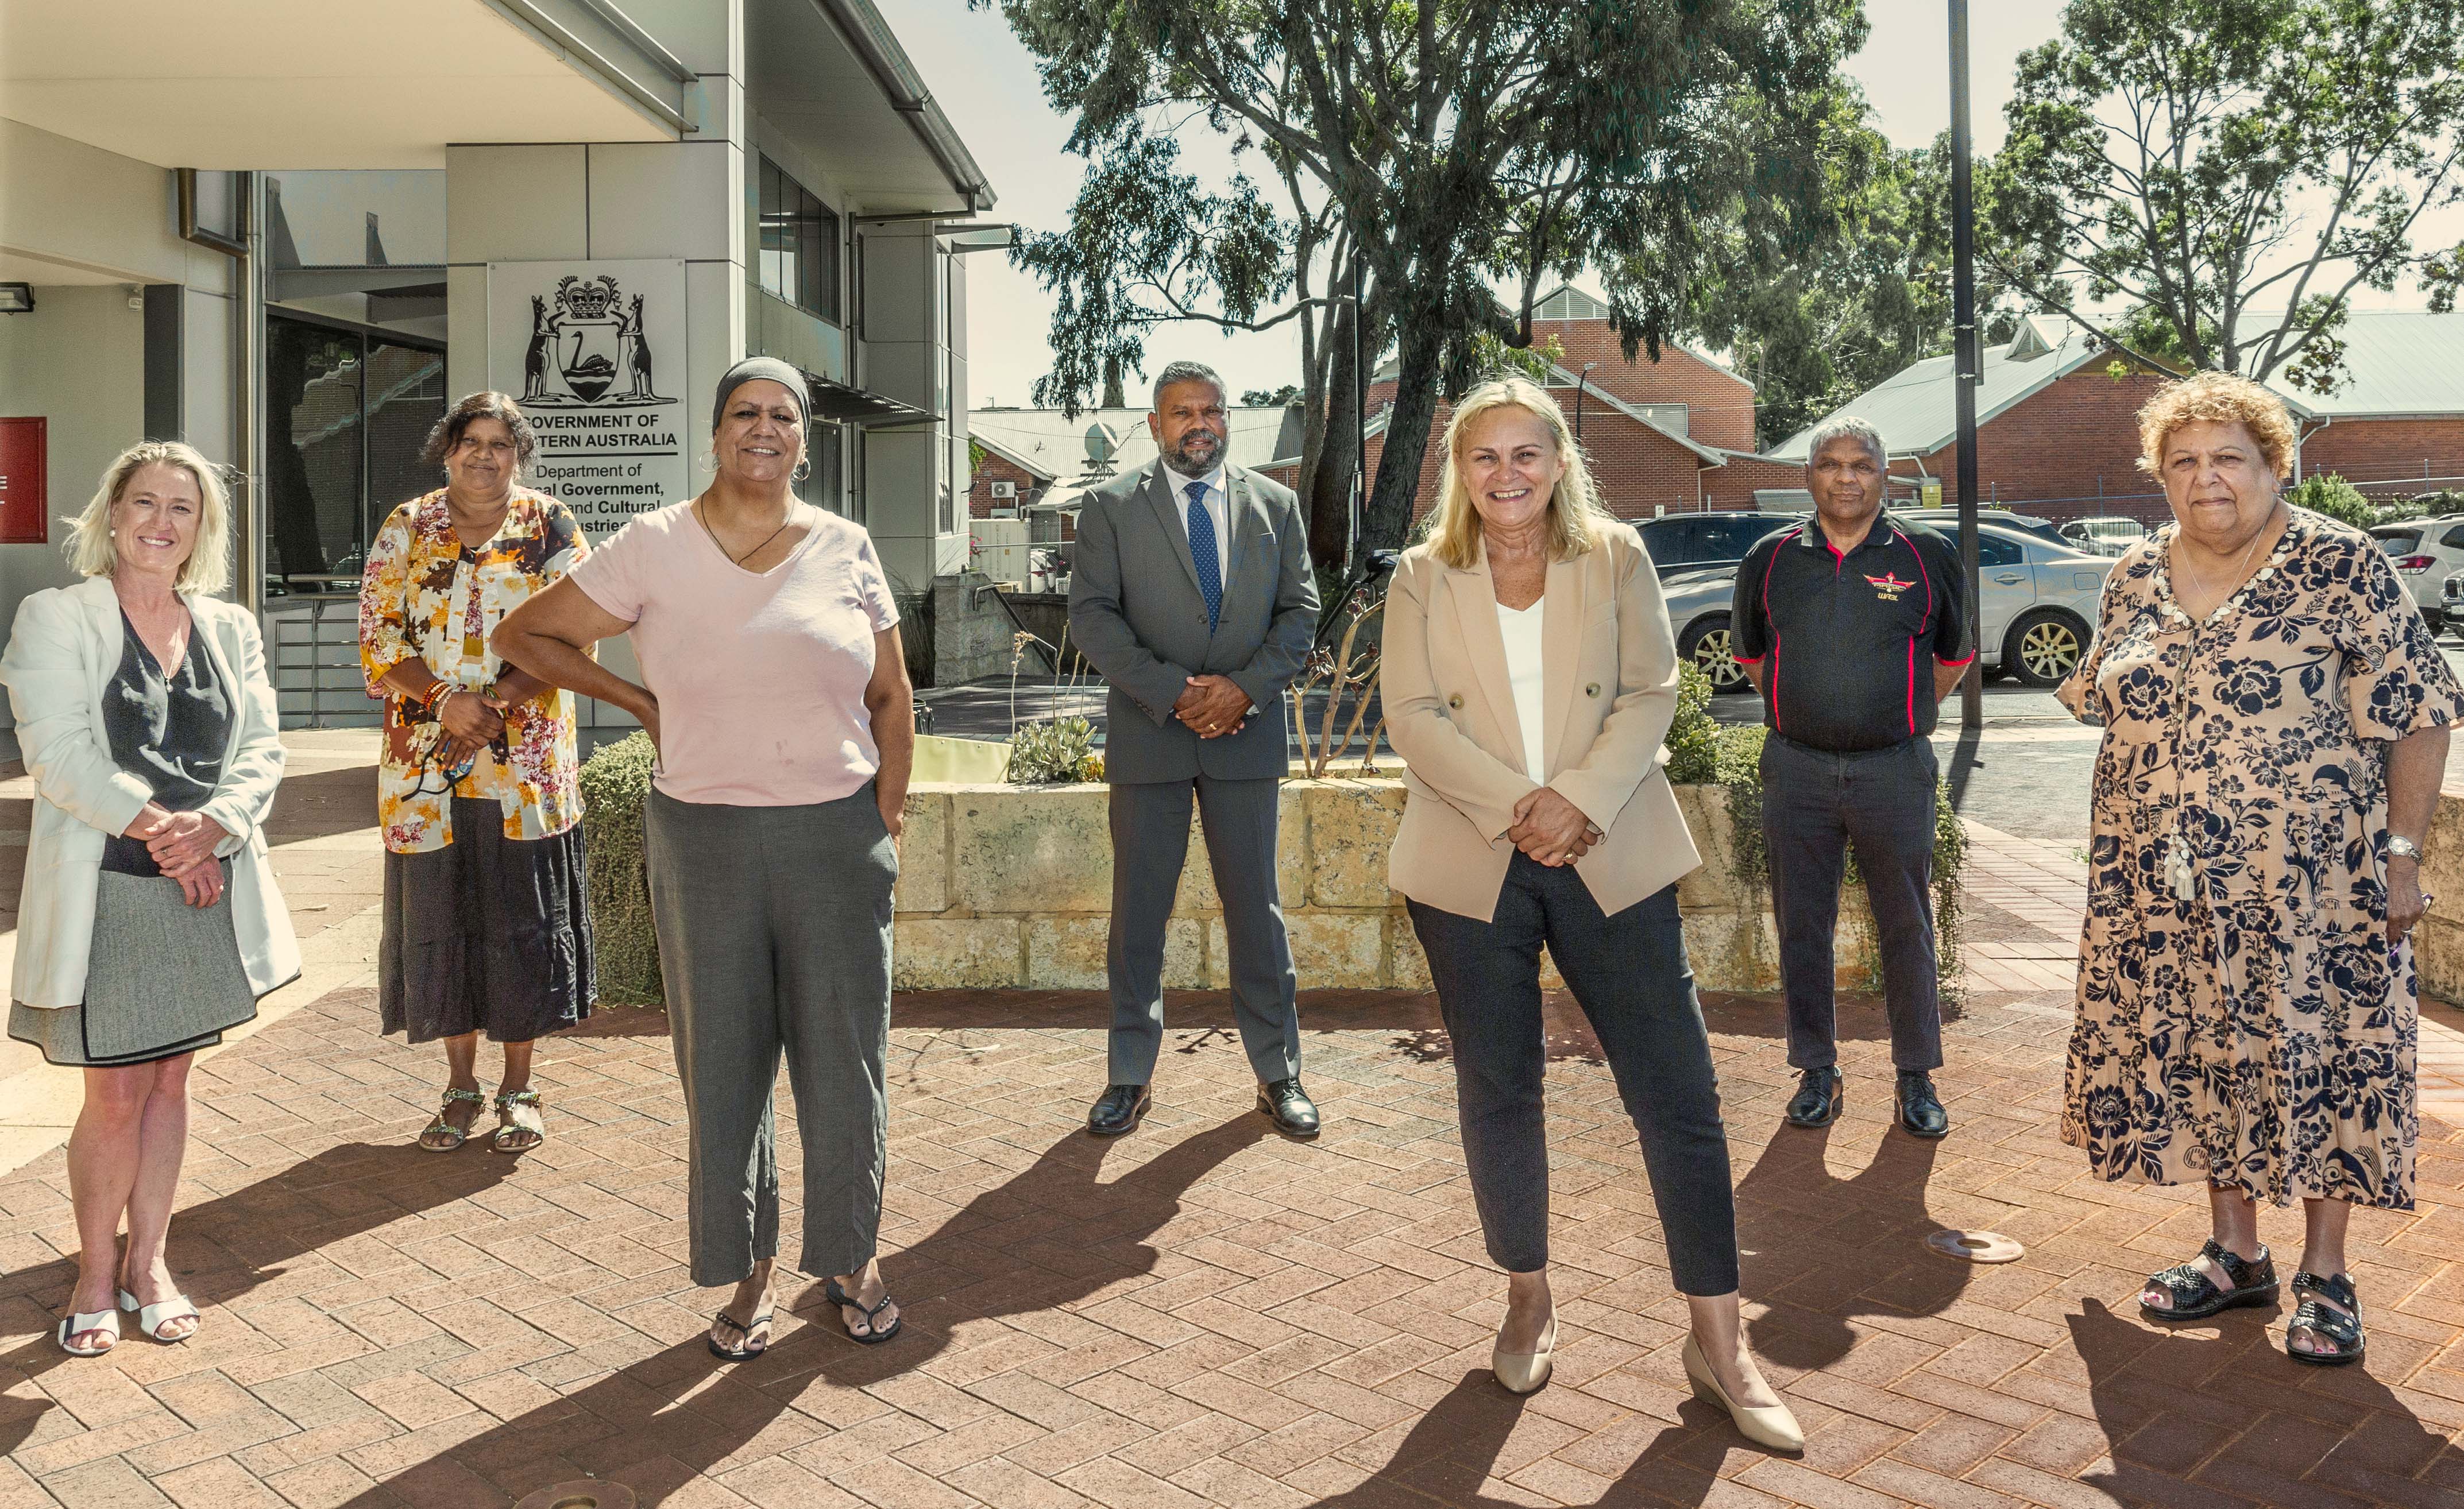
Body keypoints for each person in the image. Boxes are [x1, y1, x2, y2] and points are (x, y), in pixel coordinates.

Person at [1382, 378, 1797, 1445]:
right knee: (1499, 1085)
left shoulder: (1614, 556)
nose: (1507, 475)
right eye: (1485, 458)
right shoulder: (1424, 576)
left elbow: (1650, 692)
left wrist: (1578, 802)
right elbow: (1412, 713)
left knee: (1678, 1091)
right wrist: (1517, 807)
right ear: (1459, 474)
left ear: (1560, 462)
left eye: (1527, 455)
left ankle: (1720, 1339)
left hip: (1606, 848)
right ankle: (1528, 1293)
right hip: (1472, 860)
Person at [492, 357, 912, 1361]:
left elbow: (893, 696)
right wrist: (638, 703)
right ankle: (749, 1266)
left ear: (805, 438)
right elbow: (527, 633)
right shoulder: (653, 546)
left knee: (845, 1065)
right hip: (704, 841)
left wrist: (884, 814)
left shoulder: (848, 547)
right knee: (722, 1065)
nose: (762, 429)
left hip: (835, 838)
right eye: (743, 413)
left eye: (782, 416)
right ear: (716, 431)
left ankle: (852, 1258)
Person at [2059, 372, 2461, 1366]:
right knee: (2204, 1050)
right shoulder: (2134, 574)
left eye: (2230, 458)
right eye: (2184, 461)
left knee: (2323, 1058)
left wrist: (2403, 858)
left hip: (2315, 885)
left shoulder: (2342, 565)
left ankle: (2327, 1274)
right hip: (2163, 884)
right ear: (2160, 475)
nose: (2208, 480)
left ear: (2275, 464)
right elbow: (2107, 696)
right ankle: (2237, 1253)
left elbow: (2418, 713)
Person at [3, 441, 300, 1356]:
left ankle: (150, 1265)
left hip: (207, 889)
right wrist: (169, 836)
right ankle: (95, 1272)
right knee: (117, 1092)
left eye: (181, 507)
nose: (159, 523)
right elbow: (56, 755)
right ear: (111, 512)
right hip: (114, 890)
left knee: (173, 1080)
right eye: (142, 502)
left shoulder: (230, 626)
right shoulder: (56, 616)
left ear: (201, 527)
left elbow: (262, 749)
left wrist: (217, 826)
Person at [1068, 359, 1322, 1139]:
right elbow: (1094, 619)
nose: (1198, 424)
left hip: (1247, 739)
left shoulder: (1274, 506)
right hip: (1151, 736)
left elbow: (1299, 613)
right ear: (1154, 424)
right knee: (1137, 916)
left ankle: (1278, 1074)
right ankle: (1129, 1077)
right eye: (1181, 412)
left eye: (1211, 410)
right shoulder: (1110, 508)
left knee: (1257, 912)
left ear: (1226, 420)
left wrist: (1243, 690)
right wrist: (1178, 692)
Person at [359, 392, 595, 1155]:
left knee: (519, 926)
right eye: (471, 442)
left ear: (517, 455)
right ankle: (459, 1089)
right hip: (424, 777)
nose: (484, 456)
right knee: (446, 923)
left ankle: (519, 1089)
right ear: (447, 449)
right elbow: (378, 636)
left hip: (524, 774)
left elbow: (578, 637)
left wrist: (489, 707)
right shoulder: (407, 526)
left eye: (500, 444)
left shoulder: (550, 526)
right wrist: (443, 702)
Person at [1729, 416, 1967, 1139]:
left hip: (1894, 770)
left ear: (1884, 476)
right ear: (1809, 477)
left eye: (1860, 465)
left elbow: (1951, 659)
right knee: (1803, 923)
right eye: (1829, 464)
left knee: (1907, 924)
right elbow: (1752, 657)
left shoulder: (1927, 554)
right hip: (1795, 769)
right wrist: (1812, 713)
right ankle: (1816, 1071)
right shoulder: (1770, 559)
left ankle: (1915, 1076)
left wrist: (1887, 716)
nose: (1845, 477)